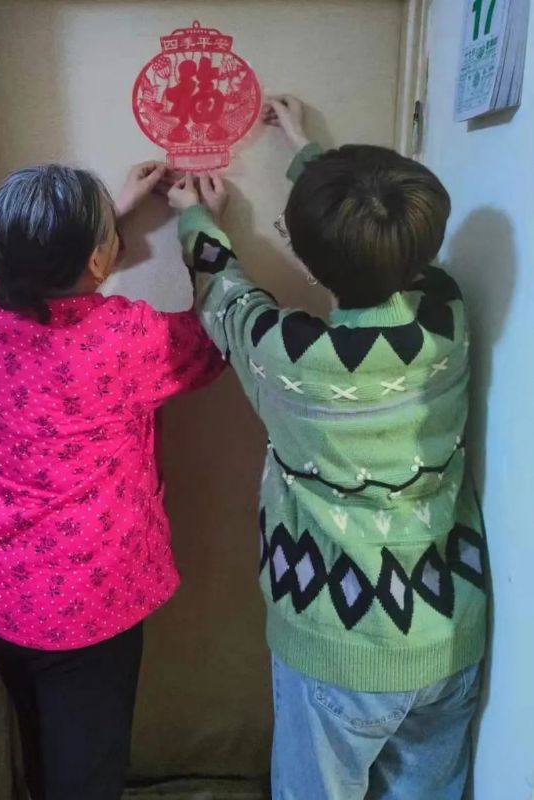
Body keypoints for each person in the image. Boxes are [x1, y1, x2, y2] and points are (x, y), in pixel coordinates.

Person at [167, 97, 487, 800]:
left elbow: (225, 297)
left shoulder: (289, 355)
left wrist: (195, 218)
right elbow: (391, 241)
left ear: (310, 262)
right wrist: (310, 156)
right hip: (446, 631)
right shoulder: (449, 316)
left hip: (337, 645)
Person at [0, 161, 223, 800]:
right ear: (98, 259)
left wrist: (108, 221)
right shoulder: (124, 338)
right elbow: (214, 340)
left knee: (43, 743)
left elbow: (32, 269)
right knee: (85, 772)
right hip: (80, 610)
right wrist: (200, 228)